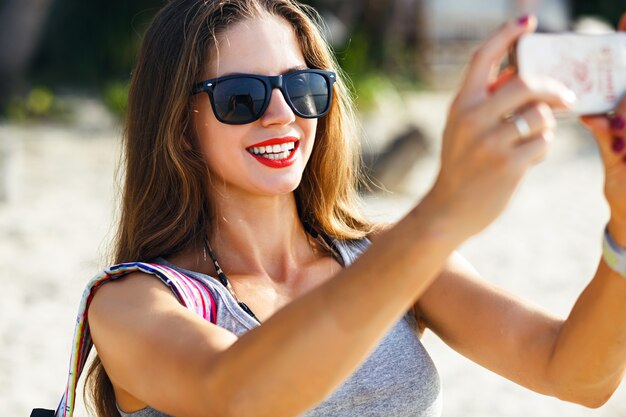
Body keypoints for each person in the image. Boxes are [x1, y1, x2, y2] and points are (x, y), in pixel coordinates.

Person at [71, 1, 626, 416]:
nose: (281, 113)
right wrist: (440, 216)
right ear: (179, 125)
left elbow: (575, 374)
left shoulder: (384, 255)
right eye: (240, 96)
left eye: (303, 87)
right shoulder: (131, 304)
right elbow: (240, 394)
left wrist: (623, 226)